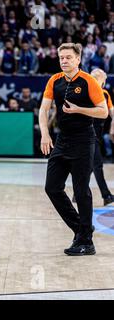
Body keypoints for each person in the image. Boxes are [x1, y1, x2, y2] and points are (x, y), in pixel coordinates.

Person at [39, 43, 108, 256]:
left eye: (68, 57)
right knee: (52, 187)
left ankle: (86, 242)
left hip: (83, 139)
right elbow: (44, 108)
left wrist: (79, 109)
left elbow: (103, 112)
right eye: (61, 57)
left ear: (78, 59)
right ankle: (82, 228)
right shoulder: (55, 80)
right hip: (62, 140)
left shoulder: (88, 81)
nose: (64, 60)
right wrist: (45, 134)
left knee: (81, 191)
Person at [73, 69, 114, 205]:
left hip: (97, 136)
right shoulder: (85, 94)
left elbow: (112, 112)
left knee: (90, 167)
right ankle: (106, 196)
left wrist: (113, 125)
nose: (104, 83)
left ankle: (77, 193)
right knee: (97, 165)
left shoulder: (105, 94)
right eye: (103, 80)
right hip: (86, 135)